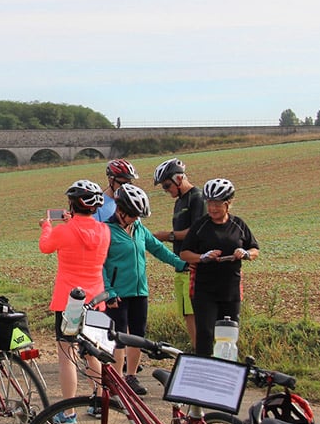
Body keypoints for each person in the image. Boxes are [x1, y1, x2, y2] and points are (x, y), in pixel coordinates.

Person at [102, 184, 187, 394]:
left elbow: (157, 249)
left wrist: (180, 264)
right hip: (117, 294)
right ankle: (117, 380)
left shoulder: (139, 228)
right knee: (119, 337)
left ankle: (131, 377)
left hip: (140, 291)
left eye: (137, 215)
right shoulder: (105, 230)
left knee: (138, 335)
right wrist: (108, 290)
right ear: (120, 210)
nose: (134, 218)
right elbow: (99, 264)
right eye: (132, 214)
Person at [39, 179, 110, 424]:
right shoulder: (105, 231)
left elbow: (45, 247)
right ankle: (99, 404)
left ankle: (68, 413)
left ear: (72, 203)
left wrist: (46, 226)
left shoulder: (62, 230)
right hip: (97, 300)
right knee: (94, 354)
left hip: (69, 302)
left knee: (66, 354)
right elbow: (85, 238)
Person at [179, 178, 259, 357]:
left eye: (217, 204)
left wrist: (245, 253)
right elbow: (184, 253)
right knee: (206, 334)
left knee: (229, 335)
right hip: (204, 290)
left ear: (228, 203)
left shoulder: (238, 225)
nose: (213, 208)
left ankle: (227, 371)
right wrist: (202, 257)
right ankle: (202, 372)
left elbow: (255, 250)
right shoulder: (201, 226)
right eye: (210, 204)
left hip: (230, 289)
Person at [152, 158, 206, 350]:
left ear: (179, 177)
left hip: (193, 267)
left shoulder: (197, 197)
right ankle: (197, 349)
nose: (167, 190)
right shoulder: (180, 202)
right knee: (187, 313)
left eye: (167, 185)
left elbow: (196, 231)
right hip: (180, 266)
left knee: (195, 313)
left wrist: (167, 236)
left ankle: (202, 353)